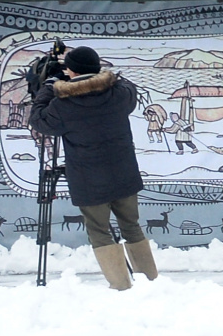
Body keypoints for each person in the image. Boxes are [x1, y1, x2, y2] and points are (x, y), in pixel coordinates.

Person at [27, 43, 158, 290]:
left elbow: (38, 119)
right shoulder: (120, 95)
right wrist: (98, 76)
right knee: (132, 226)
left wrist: (49, 86)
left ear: (72, 72)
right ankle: (150, 282)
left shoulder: (63, 105)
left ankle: (121, 286)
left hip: (89, 179)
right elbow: (125, 84)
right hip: (124, 173)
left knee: (99, 231)